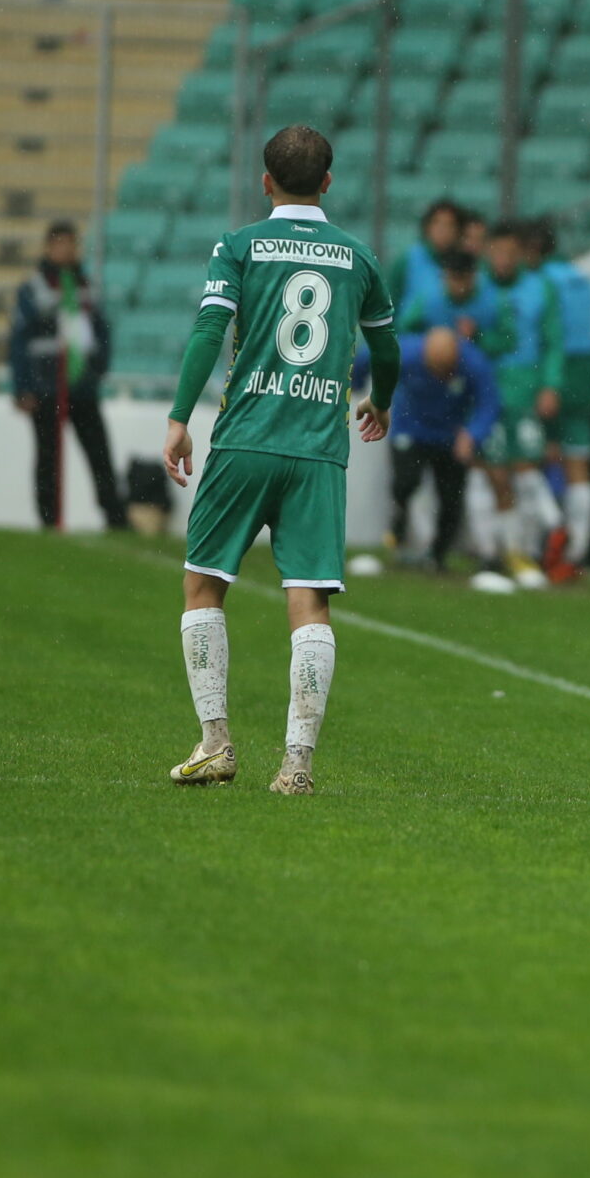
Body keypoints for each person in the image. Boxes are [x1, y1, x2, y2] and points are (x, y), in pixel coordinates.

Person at [161, 125, 399, 797]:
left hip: (243, 440)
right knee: (309, 602)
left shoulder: (240, 246)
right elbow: (388, 348)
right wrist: (381, 401)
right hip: (318, 451)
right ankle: (296, 765)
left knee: (204, 586)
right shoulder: (358, 256)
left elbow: (210, 330)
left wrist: (180, 417)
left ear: (265, 181)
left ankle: (215, 743)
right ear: (328, 181)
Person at [8, 221, 129, 533]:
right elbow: (19, 341)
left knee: (99, 452)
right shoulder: (33, 288)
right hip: (46, 385)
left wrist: (98, 366)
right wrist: (23, 387)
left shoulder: (86, 286)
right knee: (47, 457)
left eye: (71, 244)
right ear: (49, 247)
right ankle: (48, 518)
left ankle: (115, 516)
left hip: (82, 385)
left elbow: (102, 330)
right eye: (60, 244)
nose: (66, 251)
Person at [485, 220, 563, 590]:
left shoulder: (540, 288)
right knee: (495, 474)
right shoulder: (479, 287)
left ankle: (535, 549)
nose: (502, 259)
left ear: (520, 255)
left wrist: (550, 384)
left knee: (527, 470)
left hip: (526, 391)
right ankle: (507, 551)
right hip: (487, 394)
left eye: (509, 252)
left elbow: (553, 340)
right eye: (496, 251)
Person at [386, 326, 499, 572]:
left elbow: (489, 403)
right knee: (405, 482)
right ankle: (400, 528)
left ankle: (437, 555)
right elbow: (366, 359)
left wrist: (473, 434)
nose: (441, 377)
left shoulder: (475, 363)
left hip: (451, 434)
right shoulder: (405, 352)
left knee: (451, 497)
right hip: (410, 428)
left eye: (446, 370)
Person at [527, 220, 590, 579]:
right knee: (578, 467)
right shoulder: (582, 279)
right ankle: (576, 554)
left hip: (551, 373)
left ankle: (552, 532)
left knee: (526, 456)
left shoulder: (542, 282)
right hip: (584, 372)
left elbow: (546, 334)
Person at [393, 198, 464, 310]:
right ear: (427, 227)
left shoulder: (466, 263)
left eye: (450, 224)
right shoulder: (407, 260)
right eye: (437, 223)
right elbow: (387, 304)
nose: (443, 230)